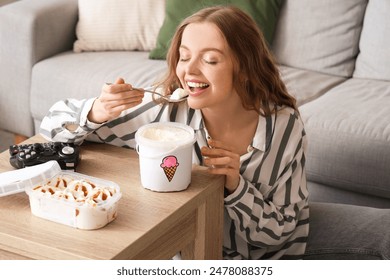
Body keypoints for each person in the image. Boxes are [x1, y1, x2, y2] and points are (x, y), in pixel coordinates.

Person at [40, 6, 390, 260]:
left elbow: (278, 233)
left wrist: (237, 188)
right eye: (184, 56)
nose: (188, 70)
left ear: (245, 68)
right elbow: (52, 128)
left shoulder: (283, 127)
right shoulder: (163, 111)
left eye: (210, 59)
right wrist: (97, 112)